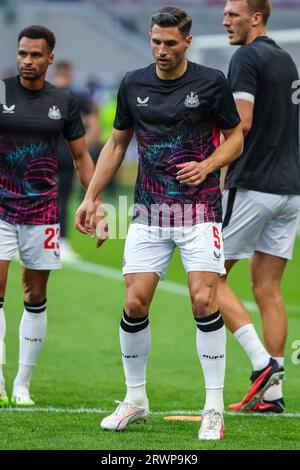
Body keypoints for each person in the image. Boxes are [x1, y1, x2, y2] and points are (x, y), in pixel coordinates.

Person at [76, 6, 243, 440]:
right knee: (134, 304)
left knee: (204, 301)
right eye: (155, 42)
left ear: (187, 41)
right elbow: (116, 144)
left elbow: (236, 138)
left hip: (199, 209)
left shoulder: (212, 82)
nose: (161, 50)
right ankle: (135, 400)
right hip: (149, 211)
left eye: (170, 43)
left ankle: (213, 408)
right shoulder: (134, 82)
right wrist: (92, 198)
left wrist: (207, 166)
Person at [0, 25, 100, 407]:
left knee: (35, 295)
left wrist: (94, 202)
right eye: (23, 54)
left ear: (49, 58)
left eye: (35, 55)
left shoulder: (65, 101)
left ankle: (23, 385)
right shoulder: (2, 91)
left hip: (42, 213)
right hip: (2, 208)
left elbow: (80, 157)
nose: (27, 61)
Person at [219, 0, 300, 413]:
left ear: (257, 17)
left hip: (252, 185)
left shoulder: (246, 56)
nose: (225, 20)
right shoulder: (286, 59)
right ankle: (272, 396)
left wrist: (209, 158)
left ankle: (261, 365)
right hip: (290, 191)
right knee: (268, 288)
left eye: (233, 14)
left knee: (208, 277)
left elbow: (242, 122)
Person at [51, 60, 100, 261]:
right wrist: (82, 145)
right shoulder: (76, 95)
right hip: (67, 155)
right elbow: (94, 125)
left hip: (41, 155)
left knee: (36, 197)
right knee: (62, 197)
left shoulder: (44, 93)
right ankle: (61, 242)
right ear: (70, 73)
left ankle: (30, 240)